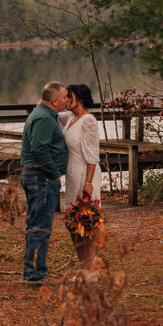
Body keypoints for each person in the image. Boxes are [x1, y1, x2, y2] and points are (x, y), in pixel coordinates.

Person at [20, 81, 69, 286]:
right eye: (65, 97)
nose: (68, 100)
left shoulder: (44, 114)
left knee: (36, 224)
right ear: (55, 101)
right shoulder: (44, 118)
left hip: (38, 176)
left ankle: (34, 271)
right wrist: (54, 173)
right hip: (41, 178)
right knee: (40, 226)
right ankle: (34, 275)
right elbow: (39, 148)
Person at [58, 83, 102, 273]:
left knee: (87, 223)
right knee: (72, 223)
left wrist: (89, 183)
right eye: (66, 96)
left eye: (70, 96)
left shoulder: (88, 120)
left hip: (86, 174)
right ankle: (83, 266)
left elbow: (92, 155)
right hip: (72, 175)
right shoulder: (69, 117)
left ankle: (90, 269)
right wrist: (46, 101)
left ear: (80, 100)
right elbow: (52, 110)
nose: (67, 100)